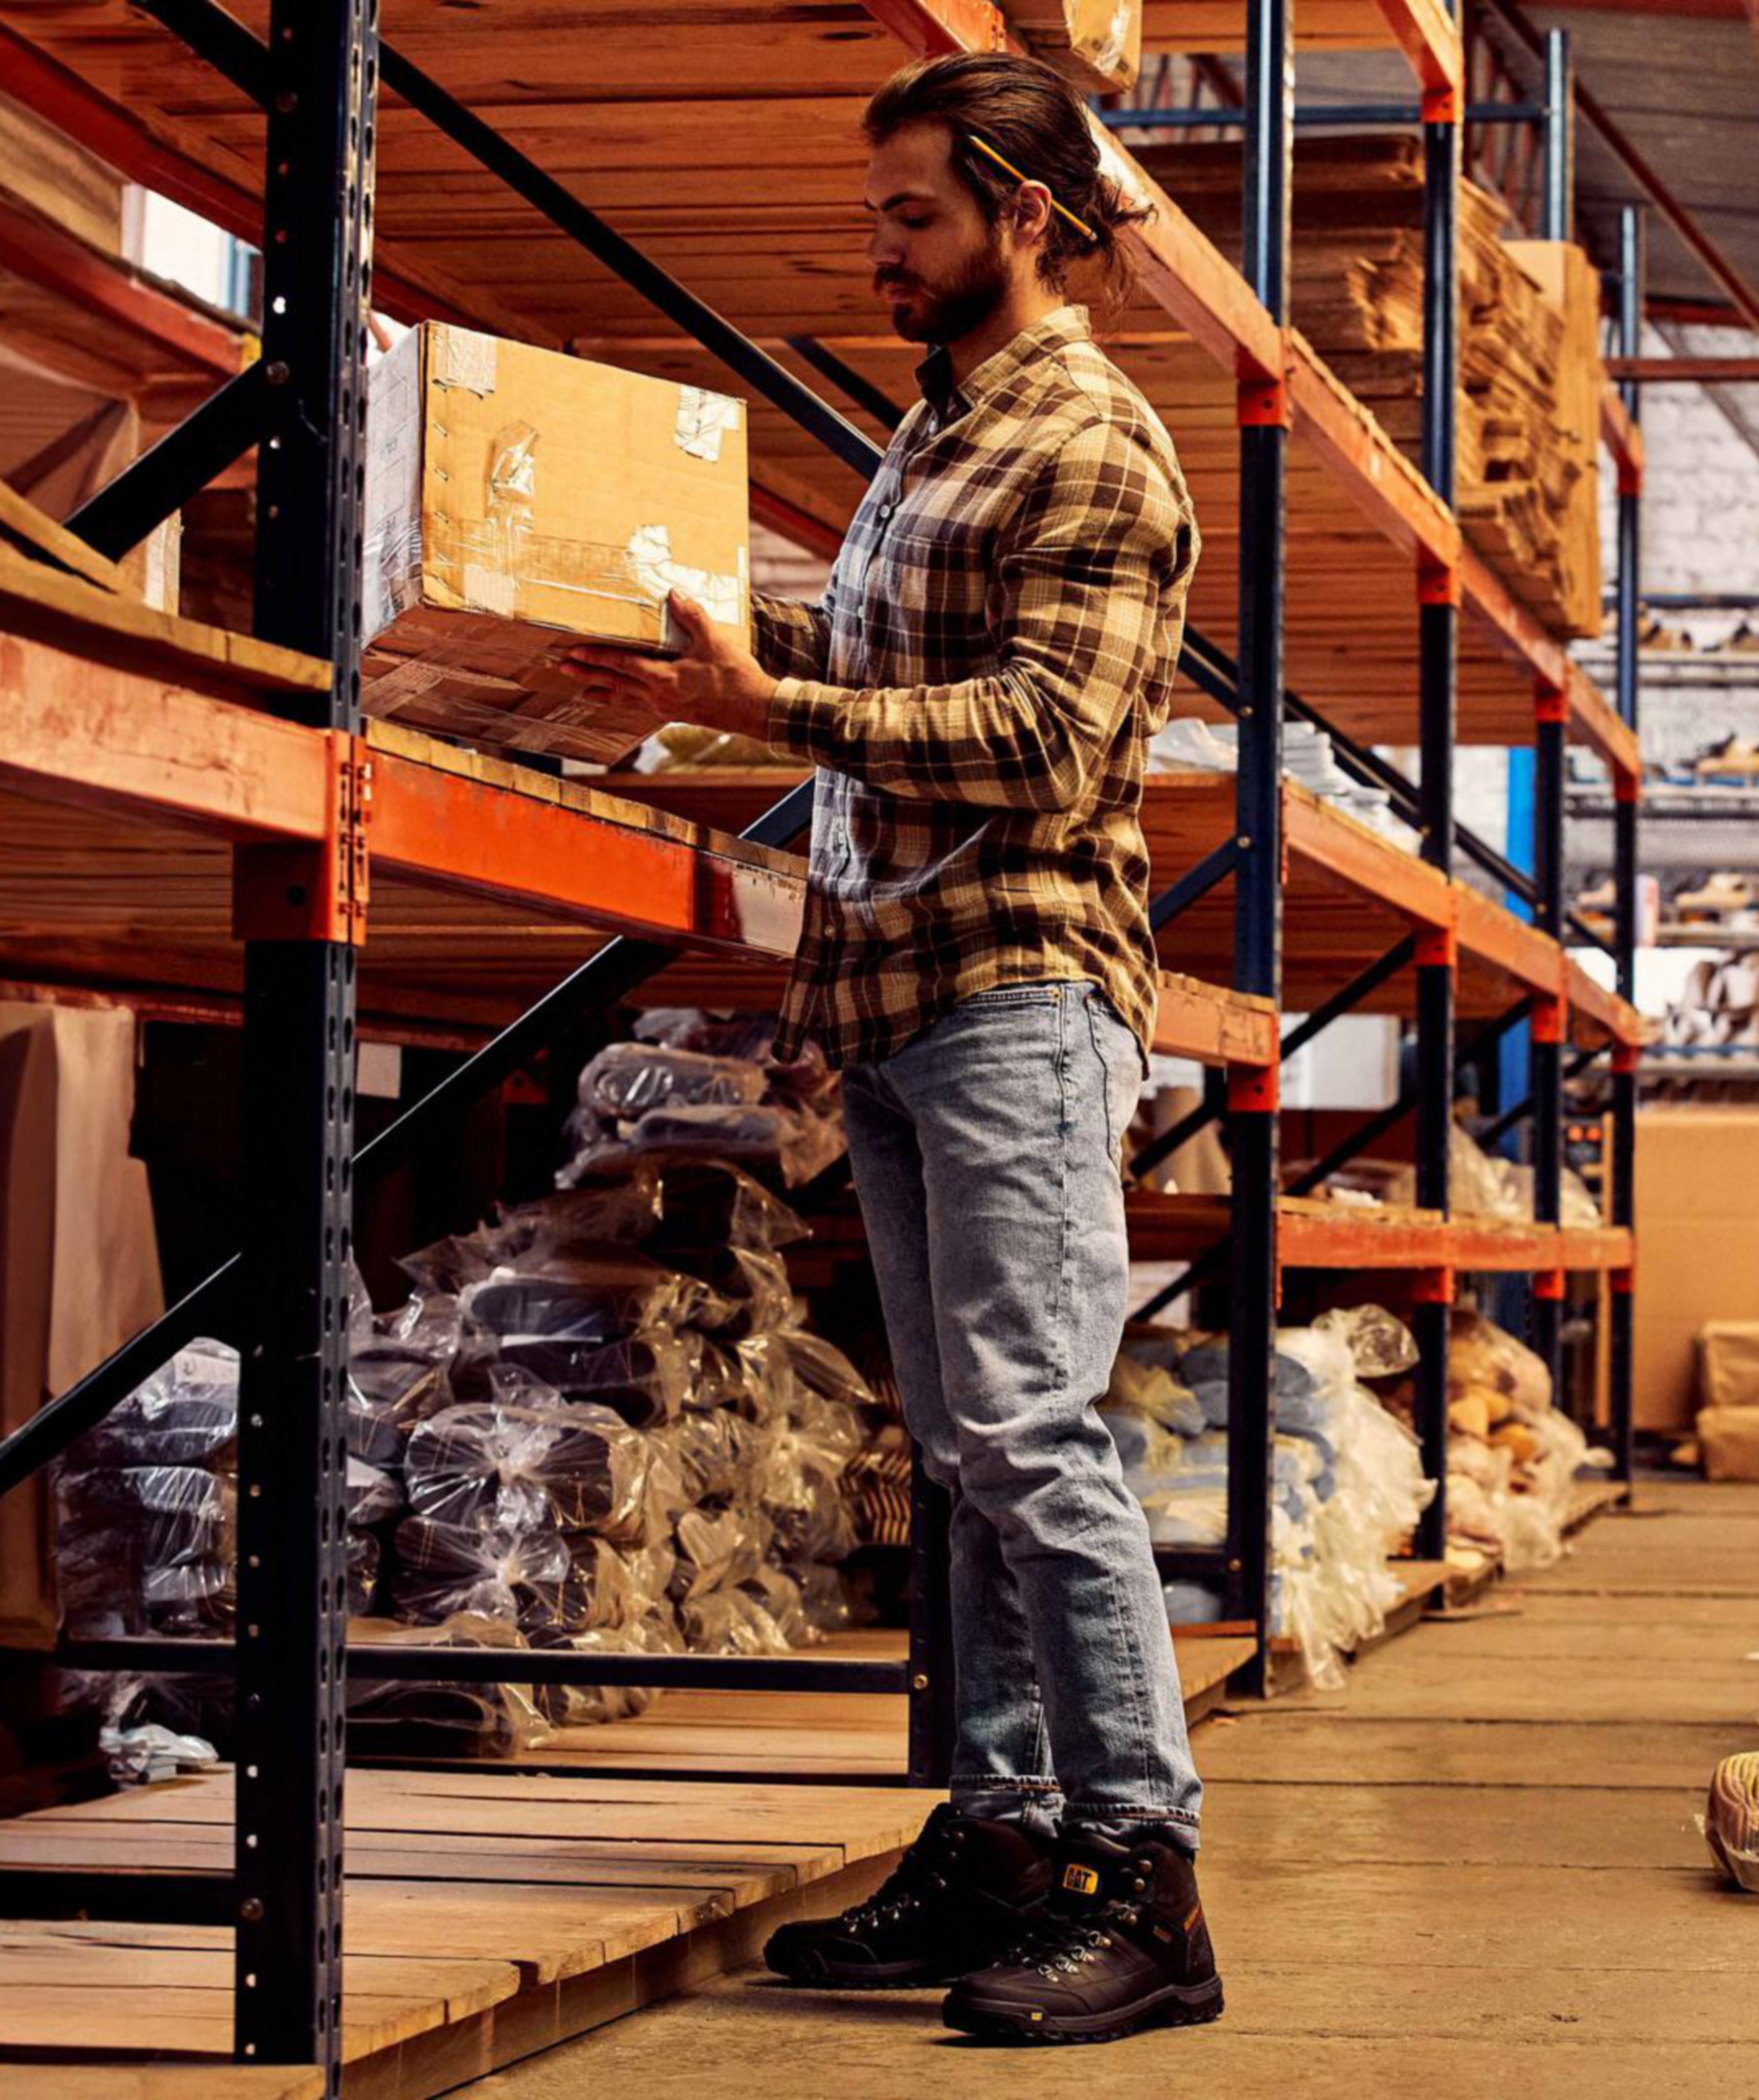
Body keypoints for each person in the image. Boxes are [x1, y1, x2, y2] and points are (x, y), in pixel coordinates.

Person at [564, 50, 1215, 2046]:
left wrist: (780, 710)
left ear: (1029, 213)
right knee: (958, 1452)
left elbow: (1050, 738)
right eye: (876, 216)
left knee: (1032, 1434)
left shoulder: (1092, 446)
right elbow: (896, 661)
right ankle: (1007, 1835)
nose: (882, 251)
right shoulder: (936, 437)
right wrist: (712, 655)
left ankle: (1143, 1872)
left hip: (1019, 991)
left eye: (912, 217)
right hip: (902, 994)